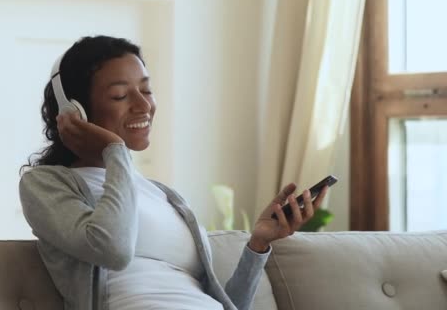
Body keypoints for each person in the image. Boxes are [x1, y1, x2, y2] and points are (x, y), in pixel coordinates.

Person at [19, 35, 328, 310]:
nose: (144, 105)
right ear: (76, 111)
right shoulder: (44, 184)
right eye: (120, 96)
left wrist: (258, 244)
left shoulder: (161, 195)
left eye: (146, 90)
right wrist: (114, 150)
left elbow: (224, 303)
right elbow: (112, 249)